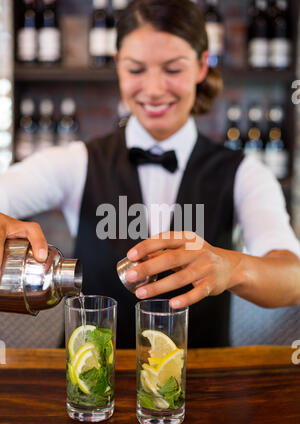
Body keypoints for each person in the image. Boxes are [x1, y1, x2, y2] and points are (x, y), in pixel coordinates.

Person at [0, 0, 300, 348]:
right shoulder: (76, 162)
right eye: (136, 69)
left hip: (196, 387)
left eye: (172, 69)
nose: (154, 88)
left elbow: (293, 279)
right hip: (88, 386)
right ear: (117, 67)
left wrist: (231, 268)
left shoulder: (244, 173)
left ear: (202, 66)